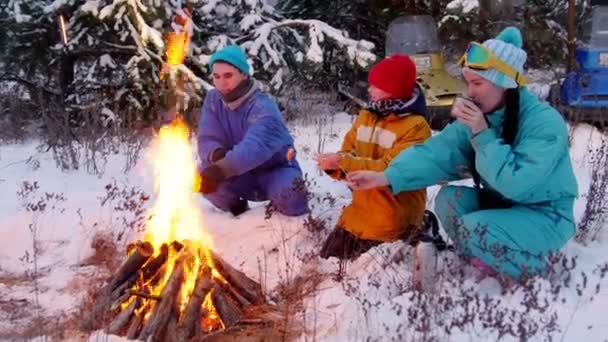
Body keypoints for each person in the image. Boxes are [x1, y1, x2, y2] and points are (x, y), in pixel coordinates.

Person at [346, 27, 578, 279]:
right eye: (468, 83)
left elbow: (517, 184)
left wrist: (482, 134)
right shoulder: (487, 113)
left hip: (545, 216)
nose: (470, 92)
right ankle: (483, 256)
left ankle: (540, 276)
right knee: (448, 199)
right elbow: (437, 152)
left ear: (505, 84)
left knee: (475, 229)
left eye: (477, 83)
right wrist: (386, 177)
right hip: (505, 205)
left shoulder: (543, 123)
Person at [316, 54, 432, 260]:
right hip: (359, 213)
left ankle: (418, 231)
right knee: (326, 261)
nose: (369, 90)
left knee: (347, 274)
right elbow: (348, 152)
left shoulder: (416, 127)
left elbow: (391, 170)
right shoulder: (367, 115)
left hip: (392, 218)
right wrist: (334, 166)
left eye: (376, 85)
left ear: (393, 89)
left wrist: (344, 161)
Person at [196, 45, 308, 217]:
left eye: (228, 75)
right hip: (237, 172)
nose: (222, 83)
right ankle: (240, 215)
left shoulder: (263, 106)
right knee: (202, 178)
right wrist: (216, 155)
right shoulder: (213, 99)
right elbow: (207, 135)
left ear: (243, 74)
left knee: (293, 198)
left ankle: (283, 219)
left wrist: (222, 168)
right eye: (216, 76)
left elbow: (256, 147)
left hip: (275, 170)